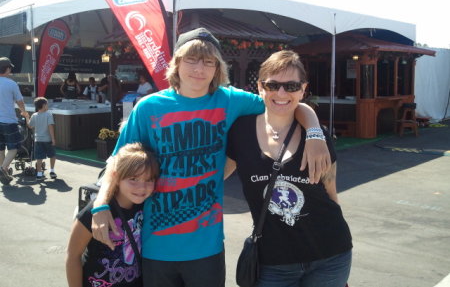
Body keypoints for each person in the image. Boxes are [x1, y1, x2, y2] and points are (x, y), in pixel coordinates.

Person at [91, 28, 331, 287]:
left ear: (217, 68)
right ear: (177, 63)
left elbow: (284, 99)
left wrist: (315, 131)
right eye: (191, 59)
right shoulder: (148, 108)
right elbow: (116, 160)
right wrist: (101, 204)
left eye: (208, 61)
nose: (199, 68)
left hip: (206, 246)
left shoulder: (231, 101)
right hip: (156, 245)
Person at [226, 50, 352, 287]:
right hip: (273, 261)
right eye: (273, 85)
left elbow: (331, 195)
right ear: (261, 87)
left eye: (291, 86)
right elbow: (214, 176)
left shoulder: (317, 136)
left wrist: (315, 132)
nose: (281, 93)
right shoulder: (240, 132)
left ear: (303, 89)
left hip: (330, 254)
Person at [66, 142, 159, 287]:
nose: (142, 187)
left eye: (149, 180)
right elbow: (73, 256)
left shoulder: (145, 206)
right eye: (133, 179)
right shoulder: (97, 211)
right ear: (116, 177)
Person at [0, 57, 29, 185]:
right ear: (7, 68)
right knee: (14, 147)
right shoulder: (11, 84)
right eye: (10, 67)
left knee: (0, 148)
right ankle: (2, 169)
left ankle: (3, 173)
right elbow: (20, 101)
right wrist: (24, 112)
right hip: (8, 120)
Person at [27, 97, 57, 180]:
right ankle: (52, 171)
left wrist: (26, 117)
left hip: (38, 139)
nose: (48, 106)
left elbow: (30, 125)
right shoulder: (48, 114)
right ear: (44, 105)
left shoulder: (34, 115)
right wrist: (53, 138)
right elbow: (50, 126)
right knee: (52, 155)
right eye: (47, 104)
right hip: (48, 139)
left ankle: (39, 174)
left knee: (39, 157)